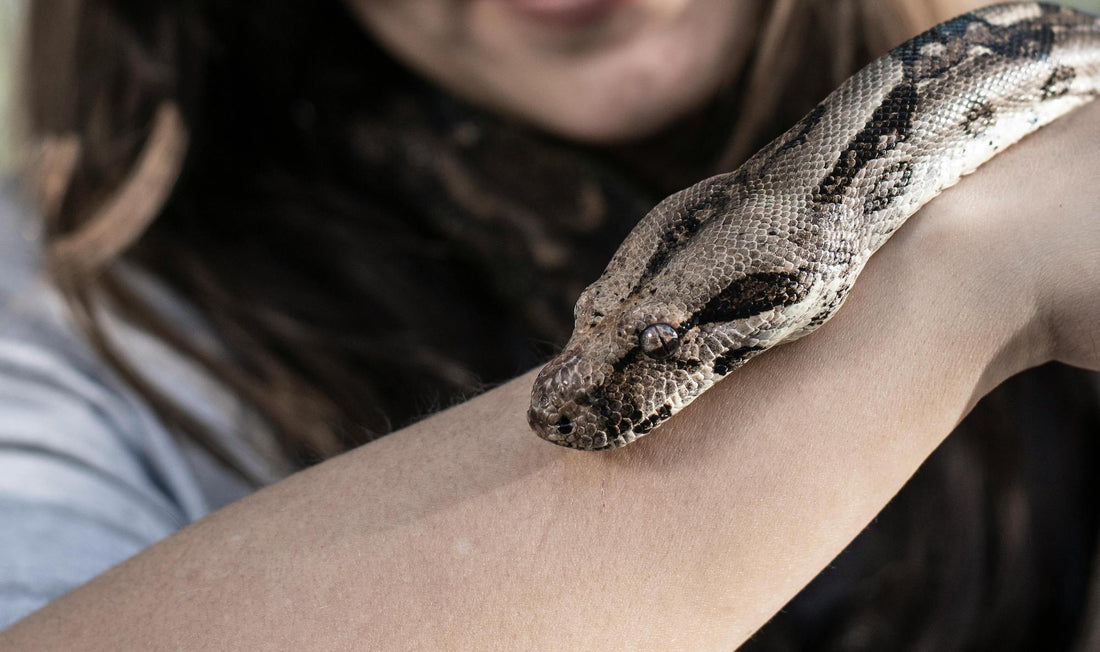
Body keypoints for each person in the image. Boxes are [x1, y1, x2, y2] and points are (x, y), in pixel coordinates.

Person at [1, 0, 1098, 649]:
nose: (574, 389)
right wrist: (964, 272)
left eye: (660, 343)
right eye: (611, 328)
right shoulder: (70, 310)